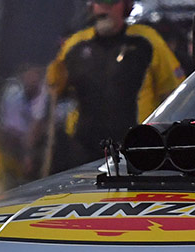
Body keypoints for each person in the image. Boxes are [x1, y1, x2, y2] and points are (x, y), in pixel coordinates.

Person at [46, 0, 183, 170]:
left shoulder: (147, 41)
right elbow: (55, 92)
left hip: (136, 149)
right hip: (83, 151)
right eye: (99, 2)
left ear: (126, 6)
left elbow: (174, 92)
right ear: (91, 7)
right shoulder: (75, 45)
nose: (104, 7)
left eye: (111, 2)